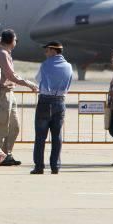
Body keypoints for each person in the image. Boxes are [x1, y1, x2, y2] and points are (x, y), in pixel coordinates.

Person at [0, 30, 38, 166]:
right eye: (15, 40)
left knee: (14, 127)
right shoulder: (1, 53)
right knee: (0, 127)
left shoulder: (6, 53)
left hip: (9, 93)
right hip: (2, 94)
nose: (16, 42)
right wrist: (28, 83)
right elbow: (11, 75)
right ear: (11, 40)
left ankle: (7, 155)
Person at [31, 41, 73, 175]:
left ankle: (39, 166)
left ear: (53, 51)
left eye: (47, 50)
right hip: (60, 101)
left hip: (45, 101)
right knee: (57, 135)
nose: (45, 53)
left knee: (40, 136)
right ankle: (55, 166)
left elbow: (38, 79)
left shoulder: (46, 65)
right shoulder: (69, 66)